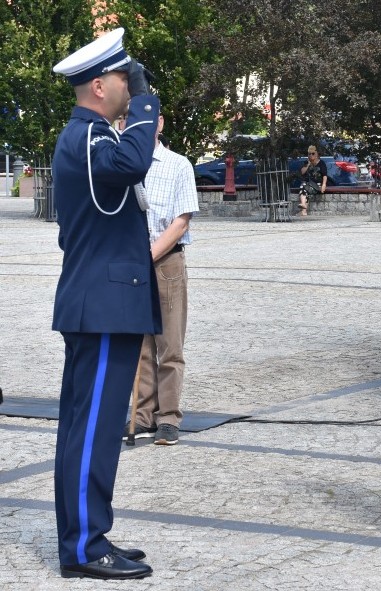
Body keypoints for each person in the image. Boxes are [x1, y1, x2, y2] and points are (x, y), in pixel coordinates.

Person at [50, 28, 160, 579]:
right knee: (93, 426)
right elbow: (134, 162)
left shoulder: (91, 136)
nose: (130, 87)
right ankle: (85, 548)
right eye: (123, 78)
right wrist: (146, 101)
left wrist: (134, 103)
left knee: (83, 426)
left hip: (100, 302)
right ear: (100, 86)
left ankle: (84, 534)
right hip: (103, 305)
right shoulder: (91, 139)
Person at [122, 115, 199, 445]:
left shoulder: (178, 165)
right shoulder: (122, 165)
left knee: (169, 344)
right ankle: (142, 414)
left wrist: (149, 254)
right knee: (139, 346)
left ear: (160, 123)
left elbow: (181, 221)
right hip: (131, 263)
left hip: (166, 260)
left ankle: (168, 417)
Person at [297, 145, 327, 215]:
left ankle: (303, 208)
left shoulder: (321, 163)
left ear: (316, 154)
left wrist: (324, 185)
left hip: (318, 185)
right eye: (309, 154)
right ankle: (304, 209)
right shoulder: (306, 163)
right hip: (309, 184)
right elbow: (302, 172)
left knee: (304, 186)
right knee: (304, 187)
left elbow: (325, 175)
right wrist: (308, 165)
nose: (311, 155)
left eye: (313, 153)